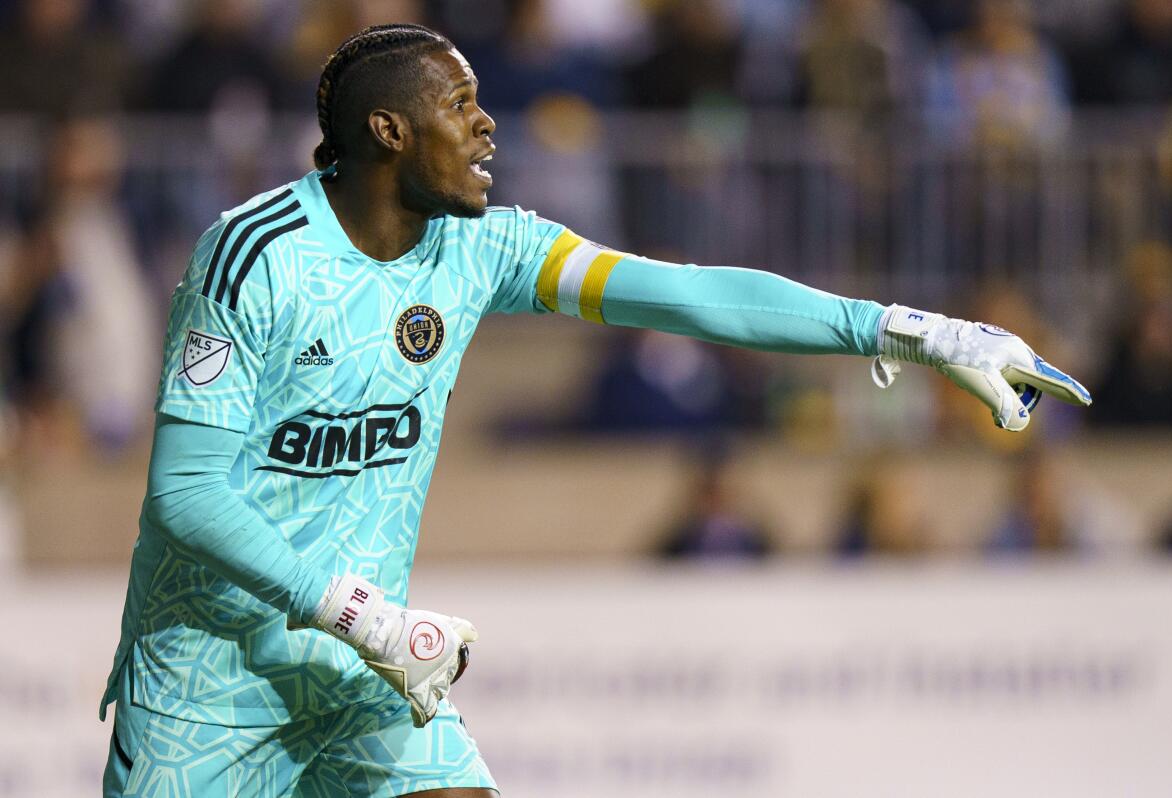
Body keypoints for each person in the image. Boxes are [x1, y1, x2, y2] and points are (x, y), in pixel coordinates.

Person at [100, 23, 1092, 798]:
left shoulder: (482, 247)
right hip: (208, 679)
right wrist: (362, 614)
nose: (488, 126)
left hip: (365, 673)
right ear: (389, 130)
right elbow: (187, 495)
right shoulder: (256, 255)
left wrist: (912, 332)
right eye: (461, 106)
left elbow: (689, 294)